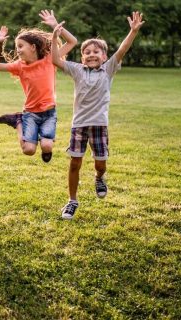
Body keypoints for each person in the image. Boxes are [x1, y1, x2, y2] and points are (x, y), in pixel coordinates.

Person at [52, 12, 145, 219]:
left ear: (104, 56)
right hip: (79, 125)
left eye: (96, 51)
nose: (91, 54)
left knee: (100, 163)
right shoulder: (77, 70)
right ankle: (72, 201)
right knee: (75, 163)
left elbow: (122, 50)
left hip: (99, 125)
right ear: (82, 57)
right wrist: (54, 35)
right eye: (87, 52)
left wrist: (133, 31)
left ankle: (99, 177)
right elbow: (55, 59)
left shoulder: (108, 69)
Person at [0, 10, 77, 163]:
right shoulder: (19, 66)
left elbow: (72, 42)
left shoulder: (51, 59)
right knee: (28, 150)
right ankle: (18, 121)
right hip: (30, 113)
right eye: (17, 47)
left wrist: (56, 26)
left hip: (49, 112)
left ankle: (45, 149)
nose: (18, 50)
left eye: (21, 46)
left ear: (33, 47)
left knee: (47, 146)